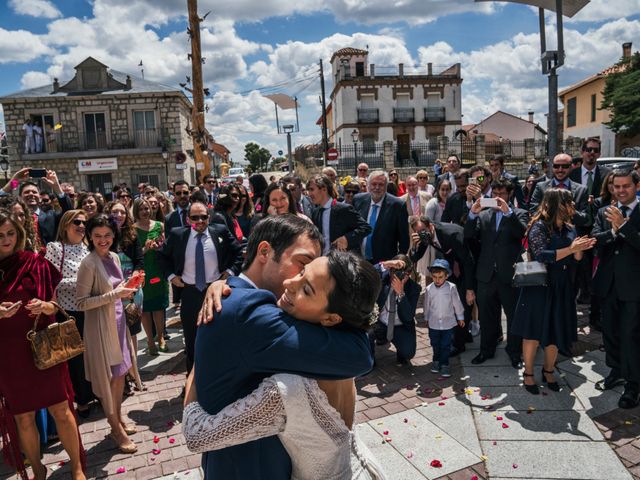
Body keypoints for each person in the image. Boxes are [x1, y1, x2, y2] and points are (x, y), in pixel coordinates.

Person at [191, 215, 375, 479]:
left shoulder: (239, 299)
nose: (293, 282)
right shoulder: (251, 314)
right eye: (302, 265)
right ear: (265, 251)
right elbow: (360, 355)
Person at [0, 209, 86, 480]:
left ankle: (77, 467)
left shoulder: (35, 262)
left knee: (61, 409)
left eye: (11, 233)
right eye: (0, 235)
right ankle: (38, 470)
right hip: (8, 353)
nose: (6, 240)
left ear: (20, 233)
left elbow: (54, 304)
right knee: (23, 417)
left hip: (42, 347)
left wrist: (44, 306)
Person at [511, 189, 595, 395]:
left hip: (562, 285)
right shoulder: (538, 227)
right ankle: (528, 373)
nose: (573, 207)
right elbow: (541, 255)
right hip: (540, 286)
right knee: (532, 332)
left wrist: (579, 249)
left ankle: (549, 370)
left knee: (556, 331)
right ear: (558, 204)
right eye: (569, 203)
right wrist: (571, 249)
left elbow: (577, 260)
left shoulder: (569, 228)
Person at [76, 214, 140, 453]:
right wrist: (116, 294)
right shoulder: (89, 263)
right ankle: (115, 428)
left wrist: (130, 288)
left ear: (114, 235)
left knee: (120, 374)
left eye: (107, 235)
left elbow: (118, 290)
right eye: (97, 236)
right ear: (90, 237)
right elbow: (81, 303)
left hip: (119, 324)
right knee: (108, 380)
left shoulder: (113, 256)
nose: (103, 240)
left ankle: (118, 419)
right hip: (101, 330)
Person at [158, 201, 244, 375]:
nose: (199, 221)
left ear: (208, 217)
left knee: (219, 337)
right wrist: (172, 277)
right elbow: (162, 257)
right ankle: (192, 380)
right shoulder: (177, 235)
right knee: (192, 340)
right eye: (194, 217)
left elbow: (238, 253)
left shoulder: (219, 231)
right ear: (188, 219)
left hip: (217, 292)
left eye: (203, 217)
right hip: (190, 293)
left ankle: (219, 376)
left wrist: (229, 272)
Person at [464, 179, 529, 368]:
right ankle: (486, 350)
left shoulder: (519, 214)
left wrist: (508, 212)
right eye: (495, 194)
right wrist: (472, 214)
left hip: (509, 275)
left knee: (513, 315)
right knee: (486, 316)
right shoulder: (484, 215)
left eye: (502, 194)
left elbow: (521, 233)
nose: (498, 197)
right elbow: (469, 236)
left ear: (510, 195)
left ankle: (515, 352)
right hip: (486, 275)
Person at [592, 170, 640, 408]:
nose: (621, 191)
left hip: (634, 286)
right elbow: (595, 240)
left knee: (631, 334)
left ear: (636, 185)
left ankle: (633, 384)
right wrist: (612, 231)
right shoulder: (604, 212)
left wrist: (623, 228)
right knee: (610, 331)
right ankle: (616, 370)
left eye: (626, 186)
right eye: (617, 187)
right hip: (608, 283)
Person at [44, 210, 94, 418]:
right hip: (69, 313)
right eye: (77, 222)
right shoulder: (56, 248)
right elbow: (50, 280)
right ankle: (82, 400)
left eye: (84, 222)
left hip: (91, 309)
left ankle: (96, 393)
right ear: (65, 225)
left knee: (92, 356)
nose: (82, 226)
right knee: (76, 361)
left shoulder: (88, 247)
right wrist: (82, 284)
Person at [409, 215, 475, 357]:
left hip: (468, 264)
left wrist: (470, 289)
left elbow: (468, 261)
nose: (422, 234)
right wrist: (414, 246)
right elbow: (415, 257)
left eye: (423, 230)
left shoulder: (450, 234)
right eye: (418, 232)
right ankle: (463, 335)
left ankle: (459, 344)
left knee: (463, 304)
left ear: (430, 226)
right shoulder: (426, 236)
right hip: (453, 266)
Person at [105, 201, 145, 392]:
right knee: (117, 334)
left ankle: (133, 372)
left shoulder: (132, 235)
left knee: (133, 331)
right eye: (115, 212)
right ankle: (123, 375)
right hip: (111, 289)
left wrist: (133, 282)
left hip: (132, 287)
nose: (119, 215)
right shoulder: (103, 235)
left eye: (122, 212)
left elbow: (139, 260)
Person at [132, 198, 169, 355]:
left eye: (147, 208)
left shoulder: (160, 225)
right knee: (145, 308)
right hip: (142, 272)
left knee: (159, 306)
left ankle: (161, 337)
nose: (145, 211)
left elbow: (166, 246)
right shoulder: (132, 229)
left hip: (158, 270)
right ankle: (149, 340)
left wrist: (160, 246)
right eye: (141, 209)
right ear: (136, 212)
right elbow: (133, 253)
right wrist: (145, 249)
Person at [371, 255, 420, 365]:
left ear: (409, 274)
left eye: (404, 275)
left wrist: (401, 294)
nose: (399, 278)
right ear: (390, 271)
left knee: (408, 353)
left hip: (400, 325)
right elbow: (366, 272)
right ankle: (369, 359)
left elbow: (408, 316)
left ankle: (400, 350)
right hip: (381, 323)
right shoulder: (383, 278)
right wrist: (386, 263)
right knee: (365, 330)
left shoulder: (414, 288)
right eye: (395, 273)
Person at [353, 171, 409, 264]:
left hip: (385, 263)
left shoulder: (398, 205)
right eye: (374, 184)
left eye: (381, 184)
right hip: (359, 260)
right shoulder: (358, 200)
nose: (377, 187)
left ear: (386, 186)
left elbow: (404, 239)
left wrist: (398, 261)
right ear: (368, 185)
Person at [307, 174, 371, 256]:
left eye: (312, 189)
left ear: (324, 189)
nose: (309, 194)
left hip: (343, 262)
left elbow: (366, 228)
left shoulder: (344, 209)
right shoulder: (316, 213)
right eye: (308, 190)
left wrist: (346, 239)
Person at [424, 259, 465, 377]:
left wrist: (460, 317)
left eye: (440, 277)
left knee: (446, 345)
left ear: (447, 276)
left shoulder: (451, 288)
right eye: (435, 277)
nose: (437, 280)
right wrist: (426, 318)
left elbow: (456, 303)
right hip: (434, 323)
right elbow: (427, 305)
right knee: (435, 343)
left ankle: (445, 364)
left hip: (448, 323)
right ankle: (436, 361)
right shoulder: (429, 289)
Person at [529, 153, 589, 227]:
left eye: (565, 166)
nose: (560, 170)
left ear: (571, 167)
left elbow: (585, 218)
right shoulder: (541, 187)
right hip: (548, 234)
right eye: (556, 166)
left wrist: (571, 211)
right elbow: (533, 211)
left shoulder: (581, 190)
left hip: (573, 235)